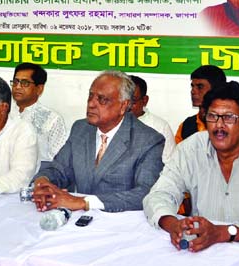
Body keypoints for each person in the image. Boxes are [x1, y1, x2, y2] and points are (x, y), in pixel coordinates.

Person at [143, 81, 239, 252]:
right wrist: (173, 224)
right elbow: (159, 194)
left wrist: (223, 232)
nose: (219, 126)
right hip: (199, 249)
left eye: (229, 118)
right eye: (213, 116)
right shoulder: (190, 148)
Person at [32, 71, 165, 213]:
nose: (91, 104)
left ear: (123, 106)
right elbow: (59, 169)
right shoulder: (81, 129)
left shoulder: (148, 141)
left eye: (102, 99)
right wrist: (43, 181)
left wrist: (84, 202)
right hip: (80, 220)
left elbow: (145, 194)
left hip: (122, 223)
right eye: (90, 96)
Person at [10, 63, 68, 168]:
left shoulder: (52, 119)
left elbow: (59, 160)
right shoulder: (4, 113)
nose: (17, 87)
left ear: (39, 89)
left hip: (36, 179)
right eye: (15, 82)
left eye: (25, 83)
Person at [174, 65, 227, 146]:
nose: (193, 91)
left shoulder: (230, 123)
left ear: (216, 89)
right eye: (192, 86)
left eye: (200, 87)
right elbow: (177, 156)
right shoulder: (186, 125)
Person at [129, 75, 174, 163]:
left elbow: (170, 165)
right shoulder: (108, 124)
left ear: (145, 100)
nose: (127, 106)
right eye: (122, 100)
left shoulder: (160, 127)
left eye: (132, 101)